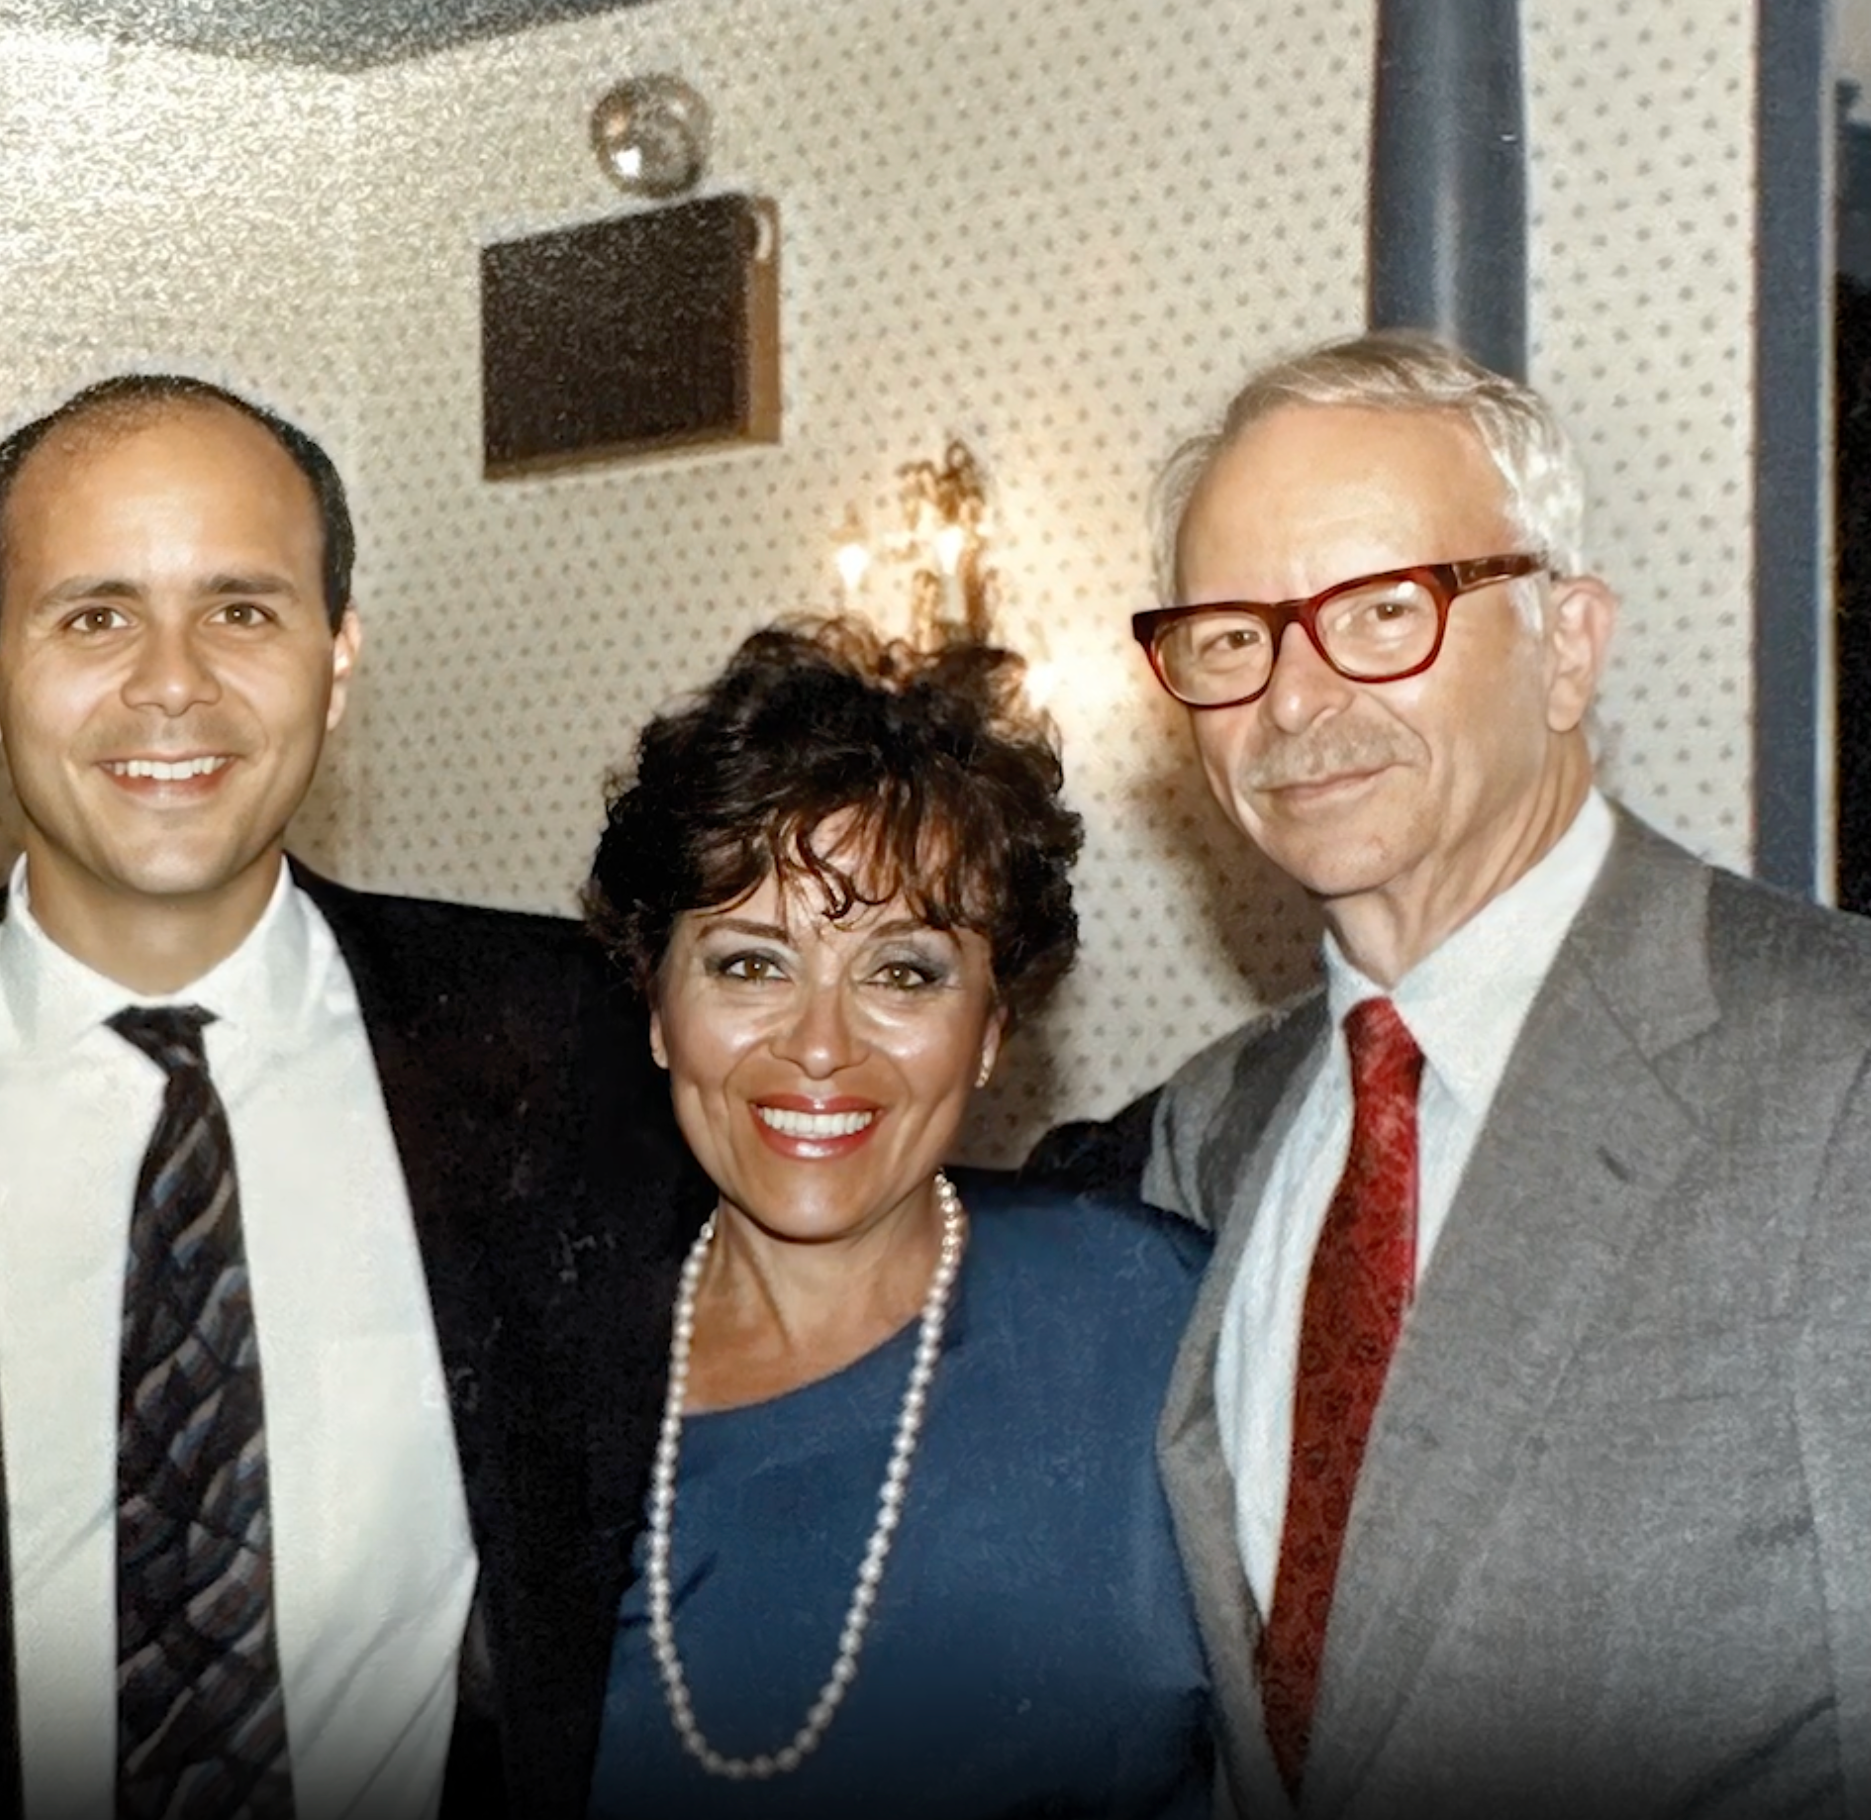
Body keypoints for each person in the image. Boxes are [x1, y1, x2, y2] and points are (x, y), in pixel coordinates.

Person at [0, 374, 687, 1820]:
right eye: (93, 615)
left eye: (241, 610)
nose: (171, 682)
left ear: (337, 657)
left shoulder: (586, 1044)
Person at [1106, 330, 1871, 1818]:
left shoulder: (1833, 1065)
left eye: (1383, 611)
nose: (1294, 701)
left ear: (1568, 646)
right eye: (1230, 635)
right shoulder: (1217, 1125)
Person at [580, 618, 1213, 1820]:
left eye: (903, 971)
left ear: (989, 1031)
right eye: (749, 964)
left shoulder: (1153, 1316)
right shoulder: (544, 1384)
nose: (819, 1045)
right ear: (657, 1008)